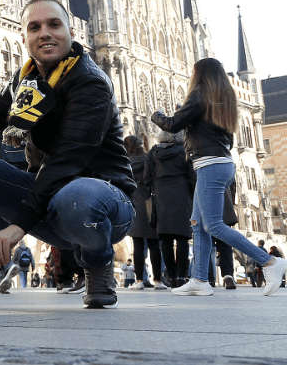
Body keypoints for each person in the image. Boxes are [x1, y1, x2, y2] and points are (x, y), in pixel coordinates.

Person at [0, 0, 135, 310]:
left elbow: (67, 161)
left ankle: (98, 268)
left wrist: (17, 227)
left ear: (71, 31)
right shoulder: (26, 80)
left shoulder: (90, 82)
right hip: (50, 201)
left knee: (77, 193)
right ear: (24, 38)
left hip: (105, 203)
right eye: (34, 27)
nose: (44, 33)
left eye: (54, 24)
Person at [152, 58, 287, 296]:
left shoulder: (199, 95)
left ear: (199, 75)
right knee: (198, 225)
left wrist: (157, 115)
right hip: (220, 163)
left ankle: (270, 262)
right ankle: (199, 280)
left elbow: (172, 125)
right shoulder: (224, 100)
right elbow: (229, 139)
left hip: (209, 164)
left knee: (213, 225)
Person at [143, 129, 194, 287]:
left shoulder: (153, 152)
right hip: (181, 193)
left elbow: (146, 178)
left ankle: (171, 276)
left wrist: (154, 187)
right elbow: (192, 175)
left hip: (161, 194)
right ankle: (181, 276)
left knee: (166, 239)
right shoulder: (184, 150)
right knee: (183, 237)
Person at [123, 134, 164, 290]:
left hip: (134, 201)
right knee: (154, 244)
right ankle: (158, 280)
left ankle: (139, 280)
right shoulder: (149, 159)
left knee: (138, 244)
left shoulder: (125, 162)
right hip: (151, 202)